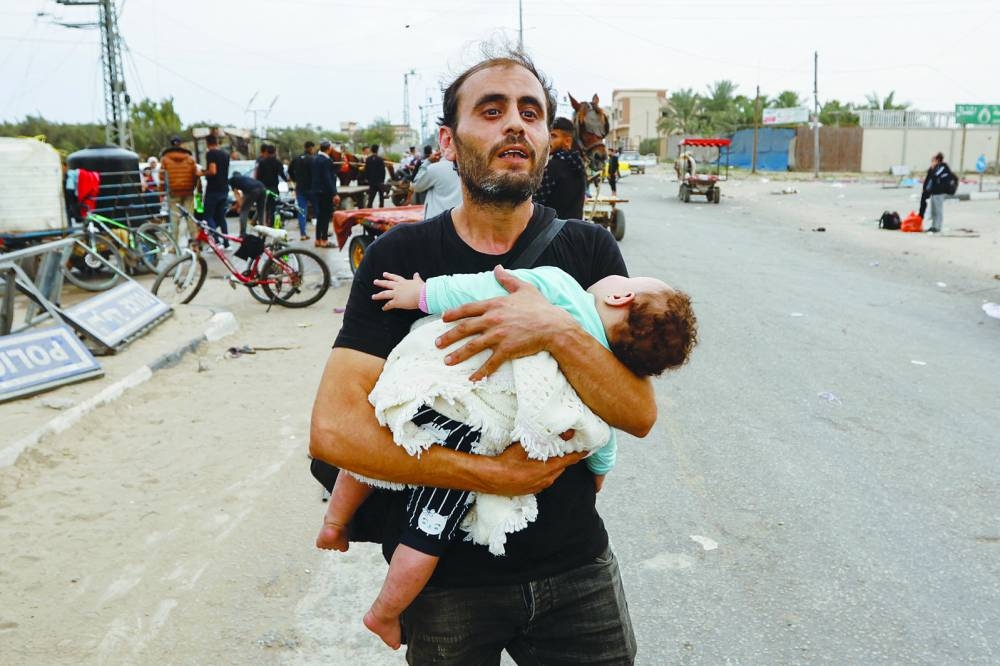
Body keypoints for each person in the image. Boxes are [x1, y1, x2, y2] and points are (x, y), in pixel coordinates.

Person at [310, 49, 656, 664]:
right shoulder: (400, 254)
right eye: (491, 110)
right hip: (447, 583)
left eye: (530, 111)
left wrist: (555, 329)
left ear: (548, 142)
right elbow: (335, 432)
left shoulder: (588, 249)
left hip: (577, 571)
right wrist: (496, 476)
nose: (515, 124)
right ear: (448, 141)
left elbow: (637, 413)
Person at [317, 264, 697, 649]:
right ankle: (383, 613)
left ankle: (335, 523)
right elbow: (604, 433)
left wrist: (420, 295)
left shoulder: (562, 287)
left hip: (438, 394)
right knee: (426, 534)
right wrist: (599, 472)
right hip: (476, 428)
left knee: (384, 444)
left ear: (621, 296)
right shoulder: (600, 364)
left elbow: (479, 286)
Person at [533, 116, 587, 219]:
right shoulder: (579, 166)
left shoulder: (552, 167)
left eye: (553, 136)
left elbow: (536, 204)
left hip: (550, 231)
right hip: (573, 230)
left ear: (567, 141)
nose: (548, 140)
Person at [159, 135, 201, 246]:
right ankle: (196, 241)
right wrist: (195, 188)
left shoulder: (165, 159)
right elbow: (196, 175)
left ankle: (175, 246)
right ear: (180, 144)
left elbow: (162, 177)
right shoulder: (190, 159)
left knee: (174, 219)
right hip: (188, 192)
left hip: (173, 193)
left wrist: (162, 192)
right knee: (190, 218)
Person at [409, 149, 462, 218]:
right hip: (459, 220)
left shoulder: (434, 168)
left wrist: (427, 161)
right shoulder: (470, 167)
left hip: (437, 221)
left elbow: (416, 186)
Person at [203, 134, 232, 248]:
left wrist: (202, 173)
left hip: (213, 190)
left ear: (207, 143)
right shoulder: (225, 154)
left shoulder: (211, 153)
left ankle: (216, 241)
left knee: (208, 216)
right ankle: (226, 242)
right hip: (224, 189)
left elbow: (212, 171)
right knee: (221, 217)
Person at [311, 140, 340, 248]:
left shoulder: (315, 159)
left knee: (320, 216)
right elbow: (327, 178)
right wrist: (334, 193)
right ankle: (324, 240)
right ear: (329, 148)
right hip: (325, 192)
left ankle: (318, 239)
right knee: (326, 216)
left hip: (317, 191)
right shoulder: (326, 161)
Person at [253, 144, 288, 226]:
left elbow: (258, 176)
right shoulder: (277, 162)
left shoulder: (262, 162)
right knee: (273, 207)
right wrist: (287, 180)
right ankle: (271, 223)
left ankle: (263, 223)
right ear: (275, 152)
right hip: (274, 188)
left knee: (263, 207)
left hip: (263, 188)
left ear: (267, 152)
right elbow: (282, 174)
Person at [288, 141, 317, 240]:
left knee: (302, 211)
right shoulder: (313, 159)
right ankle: (321, 234)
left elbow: (289, 171)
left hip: (300, 188)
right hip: (312, 189)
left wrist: (295, 180)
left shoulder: (296, 159)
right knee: (319, 211)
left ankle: (303, 234)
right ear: (311, 148)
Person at [921, 152, 954, 234]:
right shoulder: (935, 168)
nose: (932, 162)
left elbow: (935, 176)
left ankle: (938, 226)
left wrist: (933, 168)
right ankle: (933, 226)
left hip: (939, 192)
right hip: (933, 192)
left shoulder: (942, 167)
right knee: (933, 210)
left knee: (938, 210)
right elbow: (929, 178)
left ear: (938, 160)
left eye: (933, 160)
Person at [228, 172, 265, 239]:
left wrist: (238, 206)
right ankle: (262, 233)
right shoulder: (245, 178)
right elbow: (243, 196)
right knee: (261, 212)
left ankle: (242, 234)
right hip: (262, 187)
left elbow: (237, 195)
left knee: (244, 211)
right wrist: (240, 204)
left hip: (252, 190)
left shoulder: (232, 180)